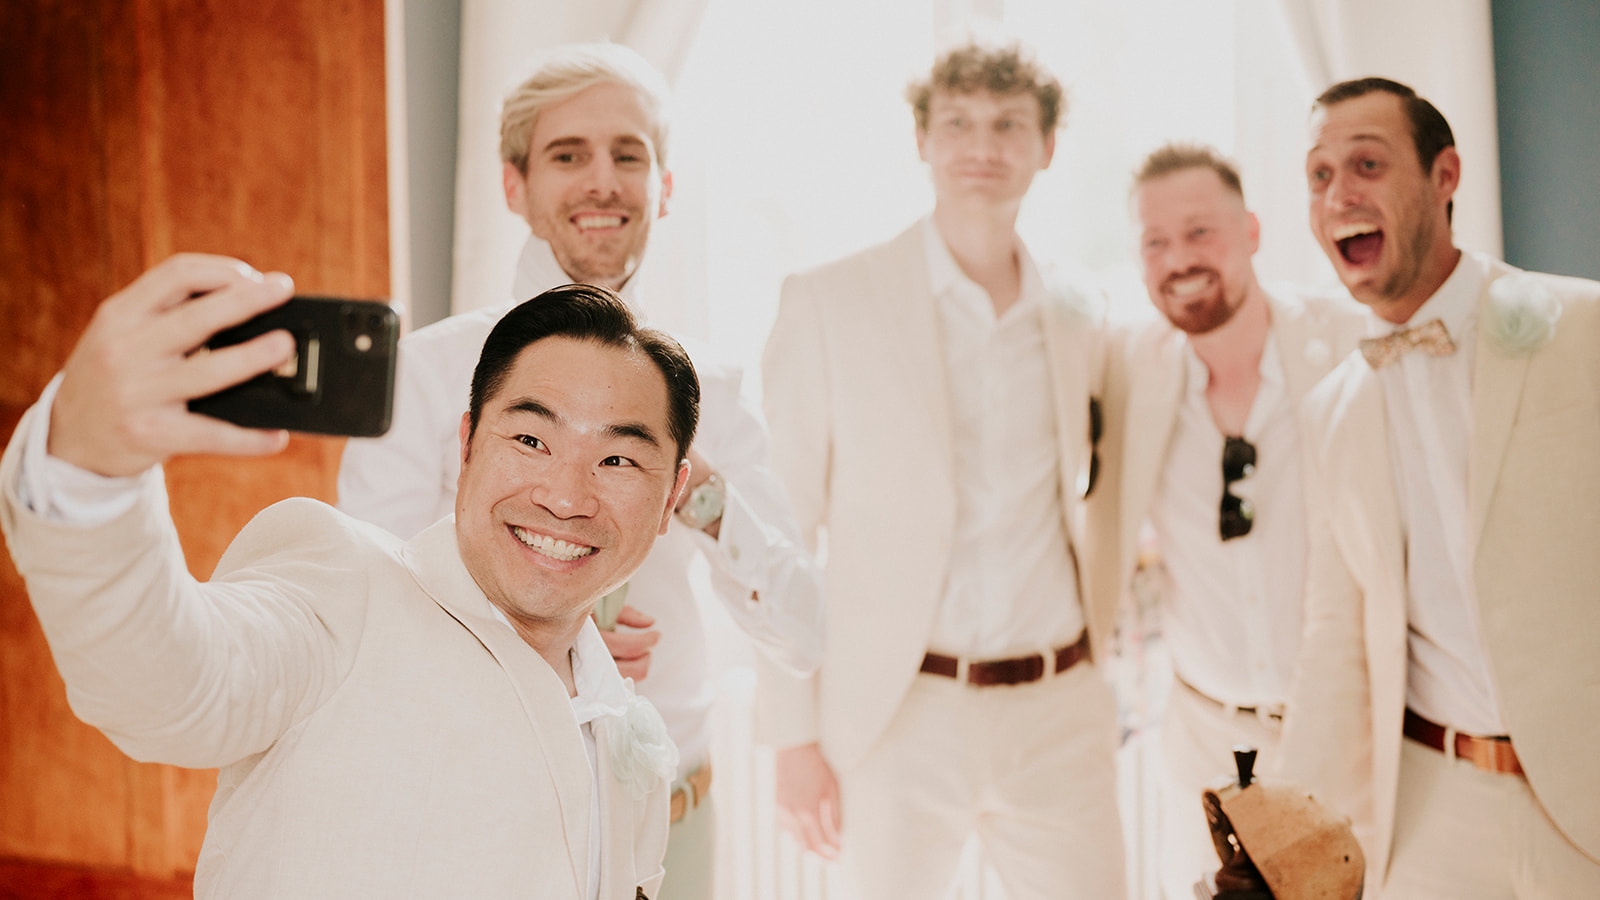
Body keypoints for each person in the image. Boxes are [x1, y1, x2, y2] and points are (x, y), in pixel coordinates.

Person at [0, 257, 700, 898]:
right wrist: (88, 471)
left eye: (618, 461)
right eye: (529, 439)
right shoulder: (344, 588)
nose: (566, 497)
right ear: (465, 447)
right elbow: (170, 686)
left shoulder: (624, 722)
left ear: (671, 497)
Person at [337, 42, 824, 900]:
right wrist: (544, 638)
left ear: (663, 188)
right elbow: (369, 606)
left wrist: (708, 499)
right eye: (568, 155)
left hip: (672, 826)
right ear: (514, 185)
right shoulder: (426, 375)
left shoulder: (714, 389)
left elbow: (804, 631)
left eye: (628, 156)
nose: (603, 181)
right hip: (480, 818)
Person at [760, 37, 1125, 899]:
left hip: (1058, 707)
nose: (982, 146)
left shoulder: (1080, 311)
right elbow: (780, 529)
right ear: (922, 139)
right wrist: (790, 735)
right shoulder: (829, 300)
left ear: (1047, 146)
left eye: (1009, 124)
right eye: (958, 123)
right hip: (898, 709)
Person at [1277, 76, 1600, 897]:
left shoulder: (1585, 328)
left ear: (1445, 175)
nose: (1339, 194)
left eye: (1367, 164)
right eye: (1319, 175)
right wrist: (1288, 847)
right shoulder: (1329, 411)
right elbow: (1333, 639)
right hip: (1430, 815)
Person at [1084, 143, 1366, 899]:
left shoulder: (1349, 343)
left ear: (1251, 231)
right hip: (1206, 744)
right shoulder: (1130, 366)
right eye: (1155, 242)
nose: (1179, 259)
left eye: (1200, 232)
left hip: (1347, 734)